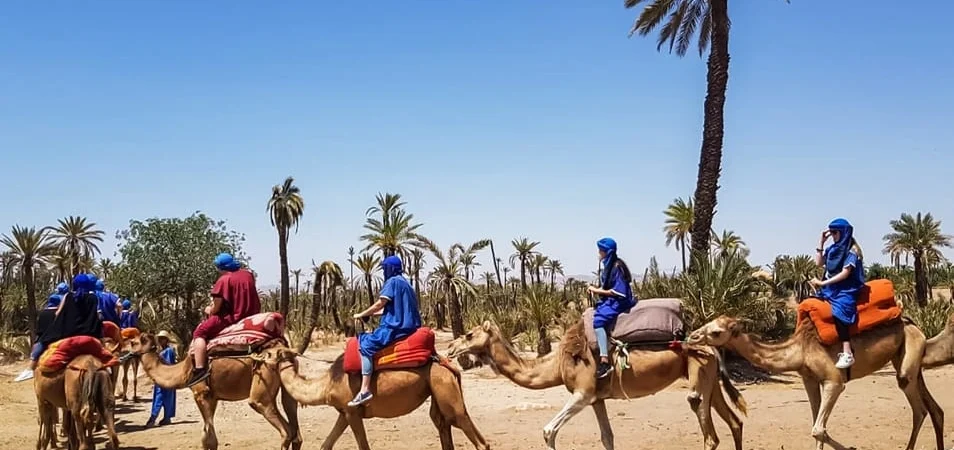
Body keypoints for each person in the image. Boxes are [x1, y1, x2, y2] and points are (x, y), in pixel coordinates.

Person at [348, 255, 421, 407]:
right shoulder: (406, 284)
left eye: (385, 268)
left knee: (365, 344)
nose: (384, 272)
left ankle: (364, 390)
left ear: (390, 269)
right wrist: (369, 315)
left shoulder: (392, 281)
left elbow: (380, 304)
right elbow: (392, 310)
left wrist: (361, 314)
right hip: (409, 326)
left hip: (395, 328)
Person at [187, 253, 261, 387]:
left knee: (200, 333)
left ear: (220, 267)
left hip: (232, 317)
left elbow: (217, 307)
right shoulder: (248, 274)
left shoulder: (224, 280)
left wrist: (209, 309)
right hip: (251, 315)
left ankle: (199, 369)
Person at [15, 273, 107, 382]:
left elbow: (58, 313)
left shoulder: (68, 296)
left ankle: (30, 368)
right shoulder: (93, 298)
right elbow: (96, 316)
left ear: (74, 285)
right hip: (90, 335)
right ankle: (108, 368)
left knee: (43, 342)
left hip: (69, 335)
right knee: (105, 350)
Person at [810, 218, 865, 369]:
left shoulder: (852, 251)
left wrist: (822, 283)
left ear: (843, 233)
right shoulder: (833, 249)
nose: (832, 235)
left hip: (846, 288)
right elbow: (819, 263)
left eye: (835, 232)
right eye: (831, 232)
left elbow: (845, 274)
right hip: (830, 288)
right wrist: (821, 243)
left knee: (839, 311)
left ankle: (847, 352)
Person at [586, 237, 636, 379]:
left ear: (606, 252)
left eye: (600, 250)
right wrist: (597, 290)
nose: (598, 253)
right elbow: (607, 287)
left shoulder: (616, 267)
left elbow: (619, 291)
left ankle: (604, 361)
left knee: (599, 321)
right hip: (612, 300)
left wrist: (597, 291)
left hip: (620, 301)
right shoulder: (609, 266)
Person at [14, 294, 63, 381]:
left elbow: (40, 330)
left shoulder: (43, 313)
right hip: (59, 339)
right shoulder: (61, 313)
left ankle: (29, 369)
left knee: (35, 353)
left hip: (45, 340)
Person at [146, 331, 177, 427]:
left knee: (161, 397)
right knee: (161, 396)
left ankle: (153, 418)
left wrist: (160, 358)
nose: (160, 340)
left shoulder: (169, 351)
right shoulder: (161, 351)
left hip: (165, 377)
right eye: (159, 339)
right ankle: (166, 418)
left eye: (162, 338)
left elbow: (169, 364)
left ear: (166, 340)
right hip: (160, 377)